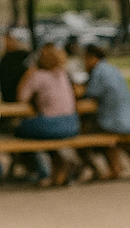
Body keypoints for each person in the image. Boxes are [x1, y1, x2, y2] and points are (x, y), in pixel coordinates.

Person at [15, 43, 81, 185]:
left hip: (51, 124)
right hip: (72, 123)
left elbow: (21, 97)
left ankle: (38, 170)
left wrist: (27, 75)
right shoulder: (62, 74)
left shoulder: (37, 76)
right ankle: (59, 169)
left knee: (19, 131)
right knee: (44, 135)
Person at [83, 44, 130, 178]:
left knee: (86, 132)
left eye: (85, 59)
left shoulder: (98, 71)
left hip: (114, 122)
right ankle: (127, 167)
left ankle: (107, 168)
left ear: (92, 58)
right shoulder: (112, 69)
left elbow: (90, 93)